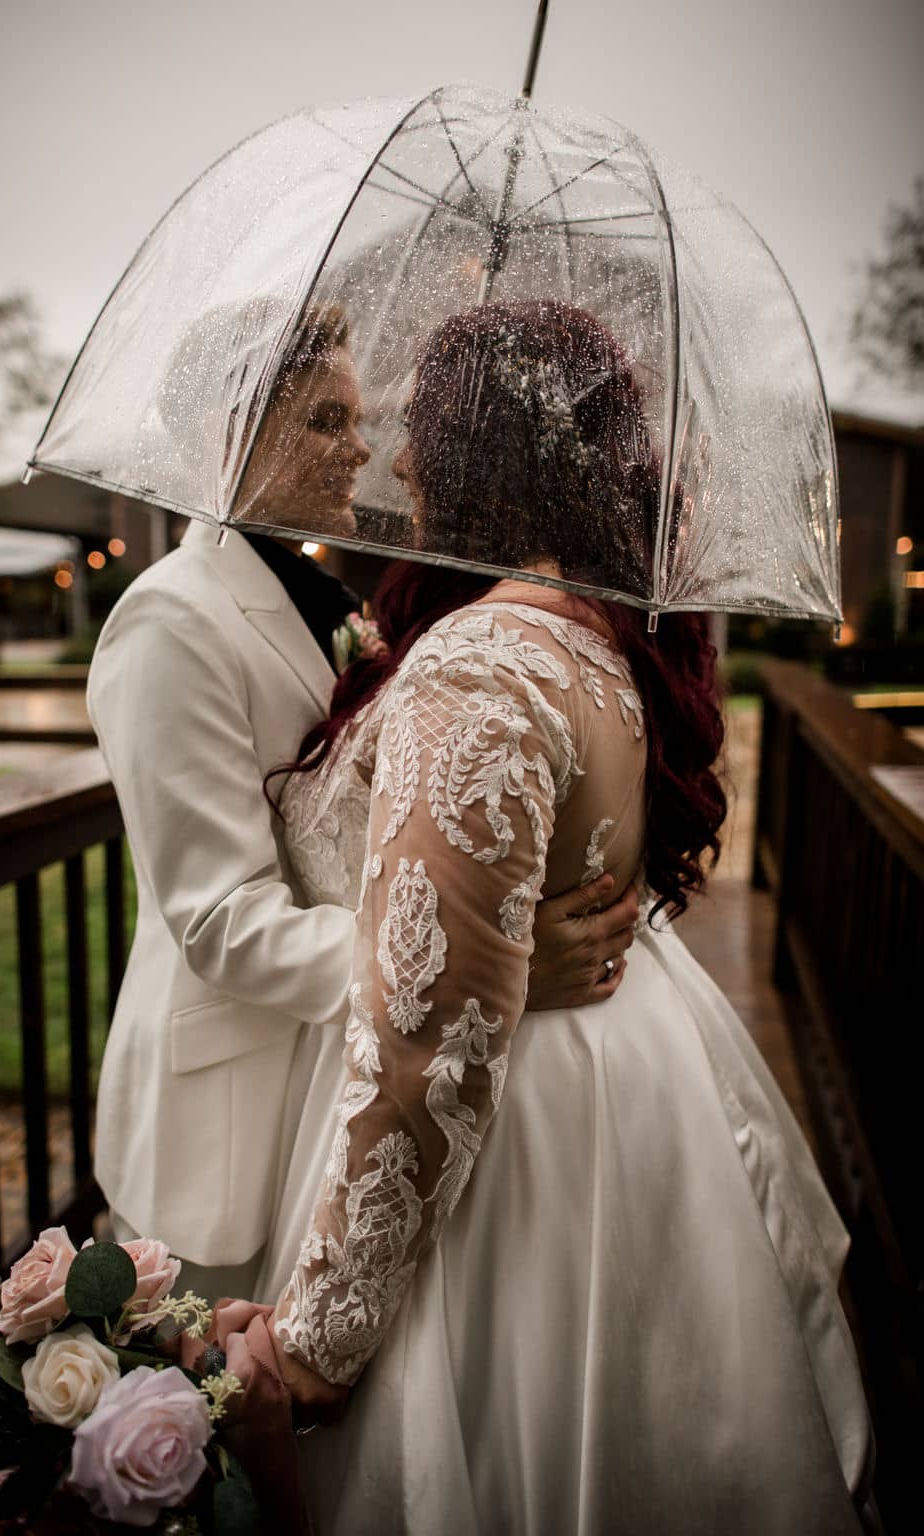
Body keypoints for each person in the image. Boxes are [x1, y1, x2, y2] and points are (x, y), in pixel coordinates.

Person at [217, 300, 874, 1533]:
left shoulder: (476, 666)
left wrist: (315, 1348)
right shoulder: (587, 633)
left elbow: (428, 1053)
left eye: (423, 427)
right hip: (604, 1098)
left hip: (511, 1151)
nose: (400, 458)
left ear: (481, 451)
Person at [87, 303, 642, 1303]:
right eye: (325, 421)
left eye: (356, 419)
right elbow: (221, 920)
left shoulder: (328, 602)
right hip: (229, 1110)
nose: (362, 450)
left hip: (339, 1077)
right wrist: (475, 969)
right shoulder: (170, 620)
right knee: (216, 1411)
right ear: (232, 435)